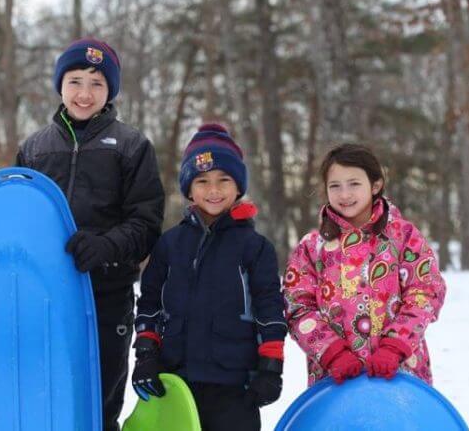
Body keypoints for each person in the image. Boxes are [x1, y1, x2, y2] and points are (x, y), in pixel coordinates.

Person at [15, 37, 165, 431]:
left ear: (110, 91)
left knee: (98, 399)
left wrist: (105, 247)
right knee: (45, 393)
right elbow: (19, 221)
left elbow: (147, 223)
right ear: (60, 85)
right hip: (46, 295)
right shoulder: (34, 150)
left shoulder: (132, 147)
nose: (85, 93)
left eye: (97, 84)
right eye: (76, 81)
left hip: (107, 295)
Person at [131, 124, 287, 431]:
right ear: (189, 189)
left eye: (223, 180)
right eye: (202, 181)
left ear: (238, 187)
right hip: (177, 380)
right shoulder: (170, 244)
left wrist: (271, 366)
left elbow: (269, 308)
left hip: (234, 385)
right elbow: (150, 301)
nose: (213, 190)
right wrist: (146, 354)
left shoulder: (255, 248)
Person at [283, 143, 446, 387]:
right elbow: (297, 306)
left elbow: (425, 292)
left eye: (354, 184)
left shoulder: (403, 237)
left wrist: (395, 346)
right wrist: (332, 352)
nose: (344, 194)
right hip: (336, 379)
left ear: (375, 185)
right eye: (335, 186)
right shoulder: (312, 248)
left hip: (399, 375)